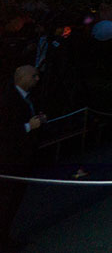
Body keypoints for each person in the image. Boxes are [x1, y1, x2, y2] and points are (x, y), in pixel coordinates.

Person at [0, 66, 47, 252]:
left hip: (23, 158)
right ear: (22, 78)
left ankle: (5, 235)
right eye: (33, 76)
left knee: (14, 200)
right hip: (9, 160)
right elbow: (4, 130)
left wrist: (38, 121)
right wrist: (28, 126)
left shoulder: (28, 97)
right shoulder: (7, 99)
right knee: (6, 200)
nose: (37, 79)